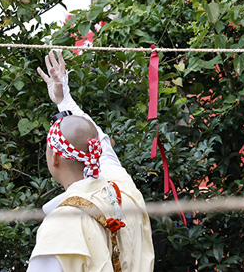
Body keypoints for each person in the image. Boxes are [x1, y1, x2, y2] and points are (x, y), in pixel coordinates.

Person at [27, 50, 154, 272]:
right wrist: (63, 99)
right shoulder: (124, 190)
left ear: (55, 157)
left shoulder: (62, 224)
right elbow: (98, 140)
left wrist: (64, 98)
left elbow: (97, 140)